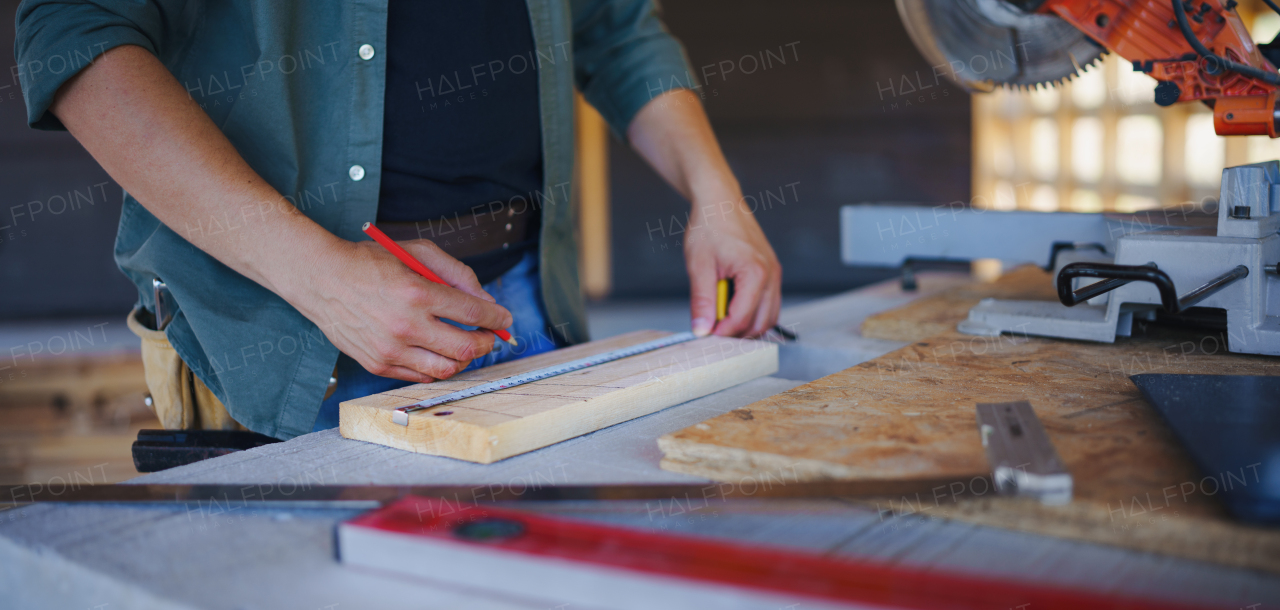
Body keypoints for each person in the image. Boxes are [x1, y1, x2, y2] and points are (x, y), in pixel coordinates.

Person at [14, 0, 782, 438]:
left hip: (525, 311)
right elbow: (75, 32)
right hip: (288, 335)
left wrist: (718, 197)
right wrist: (320, 277)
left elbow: (615, 27)